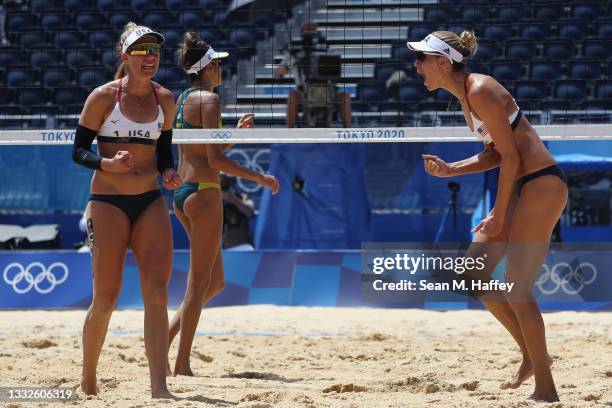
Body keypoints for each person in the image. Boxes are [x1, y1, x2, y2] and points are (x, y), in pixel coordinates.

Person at [411, 31, 567, 402]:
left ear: (444, 62)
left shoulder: (480, 88)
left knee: (515, 286)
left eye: (422, 58)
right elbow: (497, 154)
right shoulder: (466, 97)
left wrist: (497, 213)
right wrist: (452, 169)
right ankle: (531, 357)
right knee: (475, 272)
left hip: (542, 184)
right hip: (523, 185)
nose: (416, 65)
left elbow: (512, 158)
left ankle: (546, 389)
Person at [72, 23, 181, 399]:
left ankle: (159, 387)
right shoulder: (103, 98)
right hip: (108, 203)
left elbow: (165, 149)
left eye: (154, 52)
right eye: (141, 51)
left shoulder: (165, 98)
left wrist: (168, 171)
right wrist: (106, 165)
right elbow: (78, 150)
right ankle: (88, 377)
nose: (150, 58)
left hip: (149, 200)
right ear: (126, 57)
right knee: (106, 297)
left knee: (157, 293)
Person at [168, 32, 279, 376]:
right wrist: (259, 178)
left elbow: (206, 152)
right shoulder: (210, 100)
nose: (222, 70)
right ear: (207, 68)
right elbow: (215, 162)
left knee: (214, 284)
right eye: (218, 64)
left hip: (183, 194)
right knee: (197, 284)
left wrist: (232, 135)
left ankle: (161, 341)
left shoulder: (183, 98)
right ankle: (182, 364)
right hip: (203, 193)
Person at [273, 23, 351, 128]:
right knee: (292, 97)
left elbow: (336, 68)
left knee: (344, 96)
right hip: (304, 91)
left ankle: (348, 130)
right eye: (307, 30)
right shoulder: (295, 53)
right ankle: (289, 131)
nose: (310, 32)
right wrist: (289, 64)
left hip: (328, 89)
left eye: (313, 30)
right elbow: (278, 72)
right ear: (301, 33)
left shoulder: (327, 50)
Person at [220, 174, 255, 250]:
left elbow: (250, 213)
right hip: (225, 248)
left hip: (243, 246)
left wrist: (233, 199)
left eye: (226, 183)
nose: (223, 187)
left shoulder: (242, 197)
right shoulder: (215, 201)